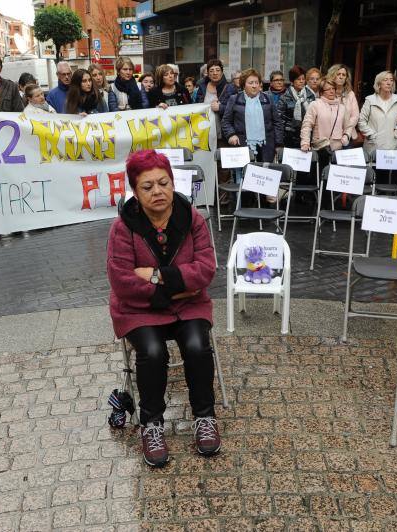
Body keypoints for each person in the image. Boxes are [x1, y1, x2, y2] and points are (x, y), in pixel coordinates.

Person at [106, 149, 219, 467]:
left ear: (172, 183)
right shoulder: (123, 228)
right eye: (147, 186)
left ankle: (205, 417)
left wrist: (156, 276)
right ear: (135, 192)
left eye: (163, 183)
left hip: (190, 306)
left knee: (197, 344)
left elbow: (206, 270)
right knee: (153, 351)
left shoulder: (192, 218)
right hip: (140, 309)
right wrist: (178, 288)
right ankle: (151, 424)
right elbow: (122, 282)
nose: (158, 191)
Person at [222, 68, 284, 165]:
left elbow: (277, 122)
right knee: (243, 176)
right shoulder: (234, 99)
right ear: (243, 85)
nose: (254, 86)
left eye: (256, 82)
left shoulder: (268, 99)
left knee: (264, 175)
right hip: (242, 145)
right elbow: (226, 121)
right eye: (250, 83)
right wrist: (231, 135)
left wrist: (278, 144)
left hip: (266, 146)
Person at [300, 78, 351, 171]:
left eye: (333, 88)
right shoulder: (315, 105)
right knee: (320, 177)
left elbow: (348, 127)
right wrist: (305, 142)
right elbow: (307, 125)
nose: (331, 91)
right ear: (321, 92)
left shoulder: (342, 107)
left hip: (337, 150)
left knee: (334, 180)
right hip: (320, 148)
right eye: (328, 89)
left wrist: (346, 136)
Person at [358, 70, 397, 161]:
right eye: (385, 80)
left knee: (386, 174)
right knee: (372, 173)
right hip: (373, 145)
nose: (389, 83)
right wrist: (371, 135)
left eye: (391, 80)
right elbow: (361, 121)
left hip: (391, 145)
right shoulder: (370, 100)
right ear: (379, 84)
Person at [277, 65, 317, 150]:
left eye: (303, 79)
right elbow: (280, 120)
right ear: (292, 81)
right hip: (289, 137)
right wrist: (279, 141)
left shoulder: (310, 96)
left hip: (307, 136)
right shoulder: (285, 97)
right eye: (299, 79)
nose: (301, 81)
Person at [326, 64, 359, 143]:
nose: (341, 77)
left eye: (343, 75)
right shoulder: (326, 92)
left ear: (346, 78)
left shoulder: (350, 94)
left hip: (347, 135)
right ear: (332, 76)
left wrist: (347, 133)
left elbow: (355, 116)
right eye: (338, 74)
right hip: (329, 136)